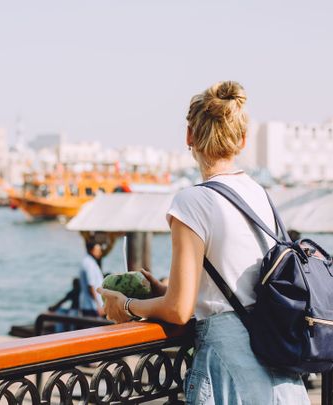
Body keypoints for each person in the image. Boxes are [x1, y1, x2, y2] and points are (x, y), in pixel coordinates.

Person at [98, 81, 310, 404]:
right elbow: (238, 282)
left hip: (231, 370)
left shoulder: (192, 202)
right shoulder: (260, 195)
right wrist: (162, 292)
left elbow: (180, 311)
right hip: (279, 373)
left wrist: (125, 306)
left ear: (189, 136)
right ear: (241, 140)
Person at [79, 242, 105, 317]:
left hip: (90, 305)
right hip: (91, 306)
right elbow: (91, 286)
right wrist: (98, 306)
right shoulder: (89, 263)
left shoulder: (90, 262)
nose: (100, 252)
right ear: (91, 250)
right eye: (98, 250)